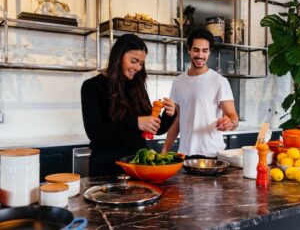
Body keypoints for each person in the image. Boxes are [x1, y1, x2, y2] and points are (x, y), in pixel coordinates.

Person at [81, 34, 177, 176]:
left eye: (141, 63)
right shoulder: (92, 87)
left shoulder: (137, 86)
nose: (138, 67)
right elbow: (95, 133)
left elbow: (154, 129)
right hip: (107, 167)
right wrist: (136, 123)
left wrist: (169, 114)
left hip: (137, 166)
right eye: (134, 61)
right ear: (118, 56)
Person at [162, 28, 239, 157]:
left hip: (212, 154)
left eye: (205, 51)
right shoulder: (178, 82)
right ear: (189, 50)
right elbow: (176, 121)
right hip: (184, 153)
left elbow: (233, 118)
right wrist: (165, 150)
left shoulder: (219, 81)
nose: (200, 55)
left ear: (210, 52)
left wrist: (230, 123)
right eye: (196, 50)